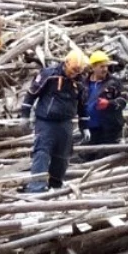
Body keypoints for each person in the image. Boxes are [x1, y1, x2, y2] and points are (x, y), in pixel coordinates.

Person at [19, 49, 89, 192]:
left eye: (79, 70)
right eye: (74, 69)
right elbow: (31, 94)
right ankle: (36, 186)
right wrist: (25, 115)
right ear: (66, 63)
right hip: (46, 121)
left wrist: (84, 126)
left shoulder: (80, 82)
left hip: (65, 122)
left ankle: (55, 184)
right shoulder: (48, 75)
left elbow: (83, 106)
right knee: (42, 152)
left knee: (62, 156)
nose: (75, 73)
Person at [82, 50, 127, 152]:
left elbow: (123, 101)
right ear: (93, 67)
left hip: (109, 128)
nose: (105, 69)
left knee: (107, 155)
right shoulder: (84, 83)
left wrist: (109, 104)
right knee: (89, 155)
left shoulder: (114, 83)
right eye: (101, 67)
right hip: (90, 127)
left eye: (106, 66)